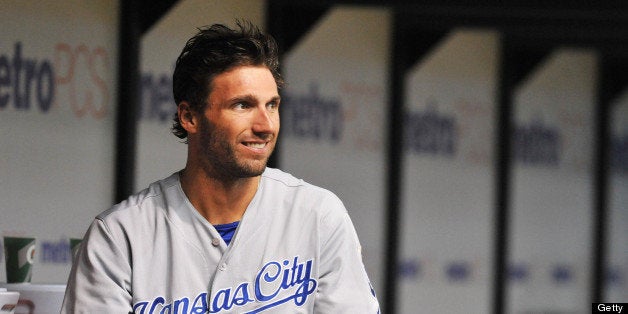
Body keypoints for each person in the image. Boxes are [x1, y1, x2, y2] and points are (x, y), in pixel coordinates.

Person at [61, 21, 379, 313]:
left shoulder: (319, 216)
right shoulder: (120, 236)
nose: (265, 125)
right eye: (242, 105)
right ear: (190, 116)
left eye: (272, 105)